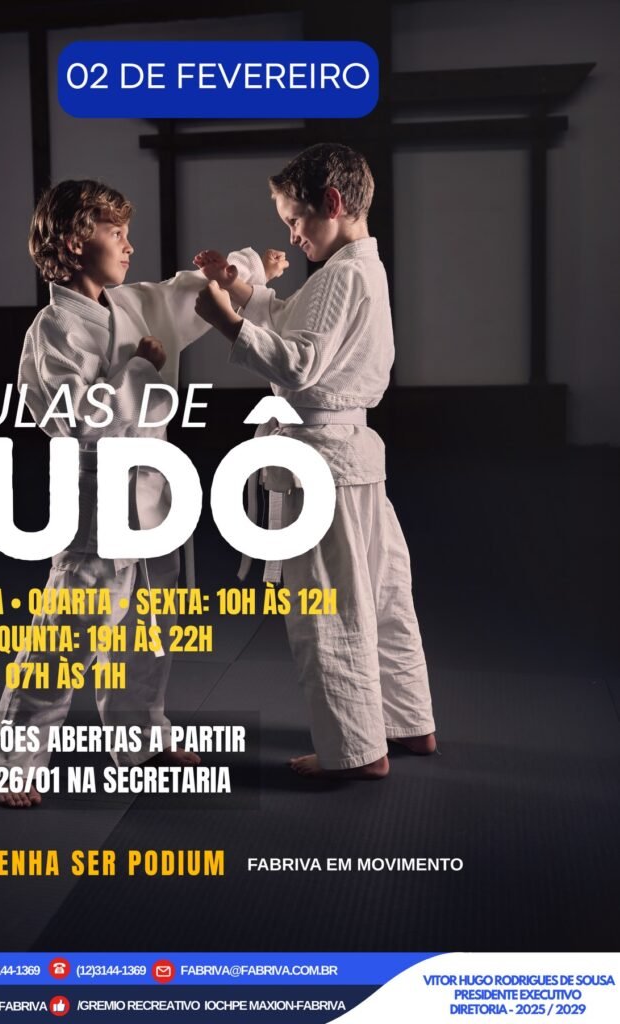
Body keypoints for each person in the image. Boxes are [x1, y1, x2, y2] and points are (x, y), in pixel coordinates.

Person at [0, 179, 277, 806]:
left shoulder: (131, 303)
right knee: (70, 631)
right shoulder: (55, 329)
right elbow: (74, 419)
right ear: (75, 241)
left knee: (149, 628)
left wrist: (248, 270)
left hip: (154, 493)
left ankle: (140, 737)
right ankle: (14, 758)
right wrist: (140, 367)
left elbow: (184, 293)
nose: (129, 245)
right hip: (98, 501)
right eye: (115, 233)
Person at [193, 143, 436, 780]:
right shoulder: (357, 270)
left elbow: (299, 362)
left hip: (324, 464)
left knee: (326, 607)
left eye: (295, 219)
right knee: (383, 595)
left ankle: (356, 751)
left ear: (332, 203)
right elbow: (292, 320)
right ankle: (409, 722)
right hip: (353, 457)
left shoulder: (342, 276)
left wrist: (227, 323)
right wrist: (240, 289)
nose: (292, 235)